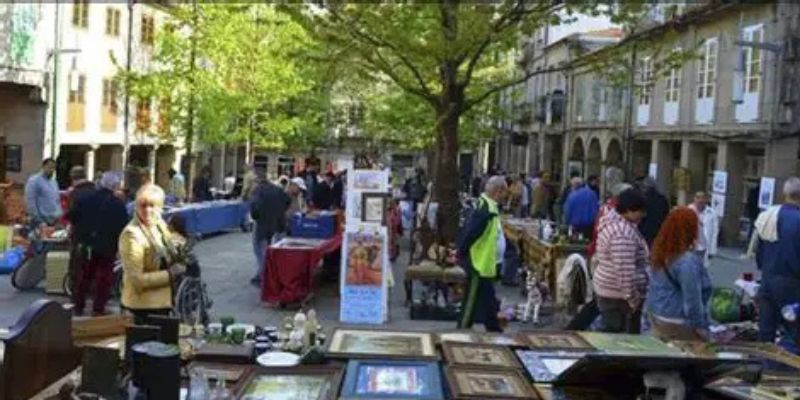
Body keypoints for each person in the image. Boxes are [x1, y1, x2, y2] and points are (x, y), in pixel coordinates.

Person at [119, 184, 185, 323]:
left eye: (152, 206)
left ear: (161, 207)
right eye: (143, 205)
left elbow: (167, 245)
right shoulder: (132, 234)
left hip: (160, 303)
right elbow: (137, 281)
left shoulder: (158, 224)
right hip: (141, 308)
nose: (147, 210)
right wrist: (170, 274)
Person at [645, 207, 712, 341]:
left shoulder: (660, 252)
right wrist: (701, 329)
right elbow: (692, 301)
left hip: (657, 315)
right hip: (676, 320)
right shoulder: (687, 261)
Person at [70, 172, 129, 316]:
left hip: (87, 244)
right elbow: (122, 227)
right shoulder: (118, 205)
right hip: (108, 247)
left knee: (84, 275)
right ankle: (98, 307)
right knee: (104, 277)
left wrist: (80, 235)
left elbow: (72, 217)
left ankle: (78, 305)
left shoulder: (85, 198)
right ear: (115, 186)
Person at [593, 188, 650, 333]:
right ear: (629, 210)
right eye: (641, 211)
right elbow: (624, 270)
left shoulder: (617, 225)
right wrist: (633, 299)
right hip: (618, 296)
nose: (644, 215)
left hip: (612, 290)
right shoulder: (622, 234)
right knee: (617, 339)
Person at [457, 176, 507, 332]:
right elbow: (470, 233)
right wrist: (461, 252)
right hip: (478, 262)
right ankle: (463, 327)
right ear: (498, 191)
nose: (505, 197)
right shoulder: (484, 209)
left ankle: (492, 326)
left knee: (488, 298)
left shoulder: (489, 207)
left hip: (486, 262)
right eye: (504, 193)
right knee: (471, 300)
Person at [755, 177, 800, 350]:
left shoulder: (768, 216)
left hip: (768, 280)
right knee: (792, 331)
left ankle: (762, 368)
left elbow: (759, 252)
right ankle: (785, 372)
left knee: (766, 330)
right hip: (793, 283)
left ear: (784, 194)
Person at [250, 177, 291, 285]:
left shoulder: (258, 190)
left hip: (262, 224)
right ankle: (264, 274)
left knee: (260, 249)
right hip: (276, 222)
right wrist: (280, 211)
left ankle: (264, 276)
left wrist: (256, 217)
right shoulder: (277, 189)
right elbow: (288, 200)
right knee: (270, 248)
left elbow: (254, 208)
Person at [24, 158, 62, 226]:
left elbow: (57, 200)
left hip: (54, 220)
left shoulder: (54, 182)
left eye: (54, 168)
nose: (52, 170)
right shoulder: (34, 180)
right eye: (50, 167)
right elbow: (30, 201)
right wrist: (38, 220)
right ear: (43, 167)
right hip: (40, 221)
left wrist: (59, 213)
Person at [637, 177, 670, 247]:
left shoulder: (642, 199)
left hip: (644, 231)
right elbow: (666, 216)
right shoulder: (662, 199)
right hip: (659, 231)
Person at [688, 191, 710, 260]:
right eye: (698, 198)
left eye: (703, 199)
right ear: (695, 199)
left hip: (702, 244)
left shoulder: (710, 212)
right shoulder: (689, 210)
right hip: (691, 245)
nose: (700, 201)